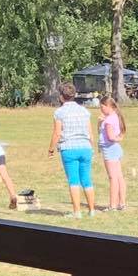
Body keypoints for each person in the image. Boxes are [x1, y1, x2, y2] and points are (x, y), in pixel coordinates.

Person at [46, 83, 97, 216]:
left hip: (69, 148)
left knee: (73, 180)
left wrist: (51, 149)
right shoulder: (84, 111)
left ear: (61, 96)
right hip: (85, 147)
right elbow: (90, 132)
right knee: (86, 179)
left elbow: (57, 133)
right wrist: (92, 148)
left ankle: (77, 212)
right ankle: (92, 210)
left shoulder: (59, 112)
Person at [98, 96, 129, 212]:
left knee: (113, 178)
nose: (101, 109)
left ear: (108, 106)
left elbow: (110, 137)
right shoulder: (114, 117)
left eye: (102, 107)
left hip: (110, 150)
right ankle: (122, 203)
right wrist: (100, 122)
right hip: (115, 149)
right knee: (119, 176)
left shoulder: (109, 121)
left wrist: (118, 139)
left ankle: (112, 205)